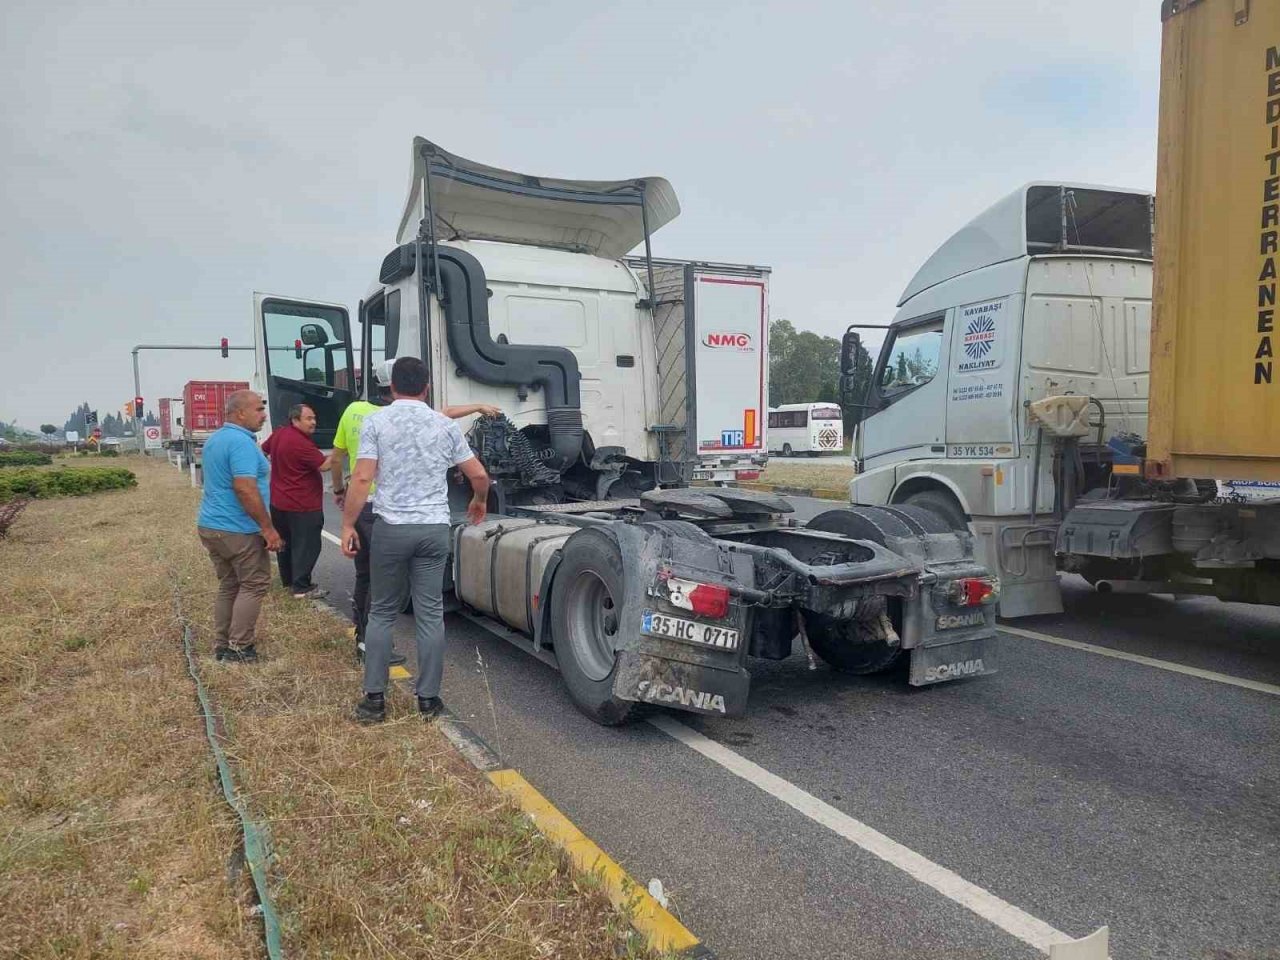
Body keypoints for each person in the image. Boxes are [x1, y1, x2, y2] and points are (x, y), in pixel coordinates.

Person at [340, 356, 491, 723]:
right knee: (430, 614)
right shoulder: (443, 425)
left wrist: (347, 524)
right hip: (433, 530)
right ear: (426, 387)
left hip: (391, 528)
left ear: (391, 386)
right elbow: (479, 475)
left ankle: (374, 700)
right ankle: (428, 700)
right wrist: (479, 501)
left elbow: (361, 479)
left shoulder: (377, 421)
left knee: (383, 612)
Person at [196, 390, 282, 664]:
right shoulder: (241, 443)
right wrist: (267, 528)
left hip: (211, 525)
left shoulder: (216, 440)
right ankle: (240, 647)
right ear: (240, 412)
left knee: (229, 585)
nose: (264, 415)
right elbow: (245, 488)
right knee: (254, 584)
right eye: (258, 409)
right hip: (237, 529)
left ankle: (223, 644)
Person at [261, 403, 331, 599]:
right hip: (303, 504)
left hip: (279, 502)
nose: (313, 422)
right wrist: (341, 451)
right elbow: (324, 465)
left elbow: (263, 450)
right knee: (307, 546)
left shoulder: (279, 434)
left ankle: (288, 581)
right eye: (309, 418)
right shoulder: (301, 443)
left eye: (314, 418)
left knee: (285, 544)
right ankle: (301, 587)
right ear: (295, 420)